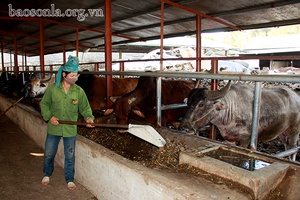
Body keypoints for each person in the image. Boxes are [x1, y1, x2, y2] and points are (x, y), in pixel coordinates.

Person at [40, 55, 94, 190]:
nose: (74, 78)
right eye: (72, 75)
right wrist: (49, 117)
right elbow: (44, 104)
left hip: (70, 129)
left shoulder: (79, 91)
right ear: (64, 74)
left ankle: (69, 179)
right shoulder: (53, 89)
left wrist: (88, 118)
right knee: (49, 153)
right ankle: (47, 174)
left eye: (76, 75)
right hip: (54, 127)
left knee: (70, 155)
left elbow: (85, 108)